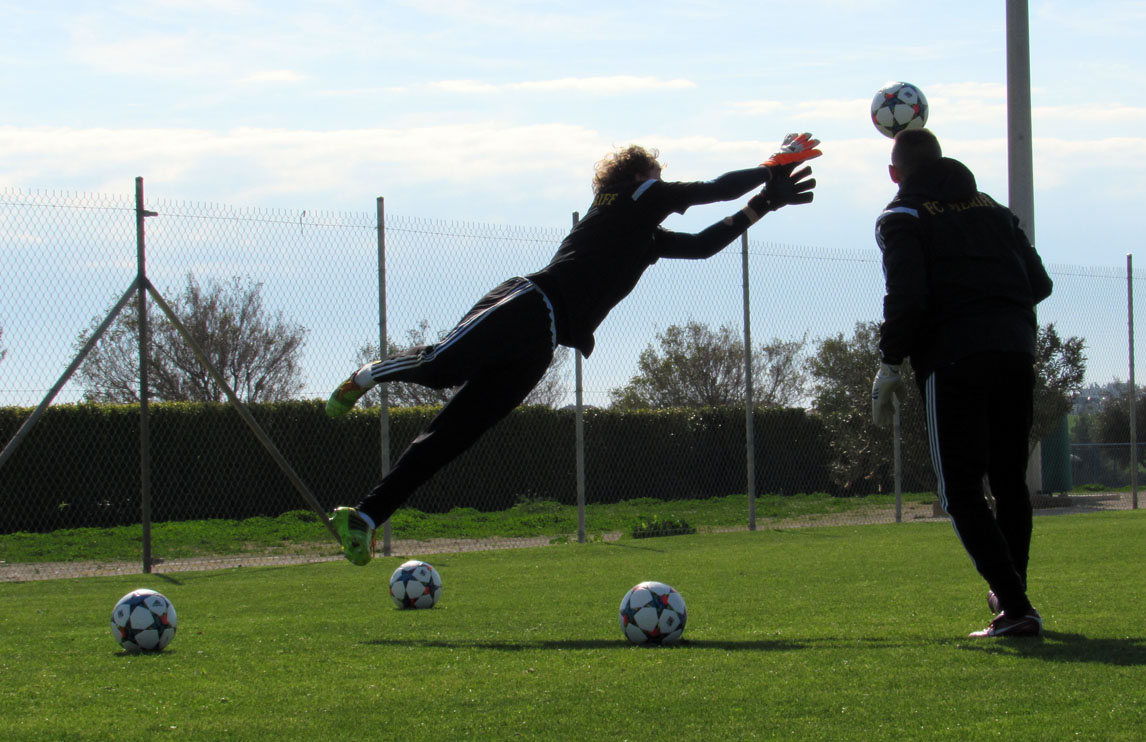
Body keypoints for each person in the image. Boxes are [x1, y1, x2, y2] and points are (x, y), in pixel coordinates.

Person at [324, 134, 822, 566]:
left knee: (451, 438)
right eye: (657, 173)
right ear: (638, 176)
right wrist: (771, 165)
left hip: (542, 343)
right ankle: (368, 374)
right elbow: (711, 189)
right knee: (440, 366)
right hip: (525, 303)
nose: (663, 182)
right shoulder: (624, 196)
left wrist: (764, 204)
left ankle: (364, 517)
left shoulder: (643, 233)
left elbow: (702, 246)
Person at [870, 127, 1053, 638]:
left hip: (954, 360)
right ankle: (1013, 595)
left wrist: (890, 362)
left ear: (895, 173)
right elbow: (1039, 283)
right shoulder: (994, 209)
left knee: (960, 489)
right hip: (1016, 350)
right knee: (1009, 481)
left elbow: (907, 298)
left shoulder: (901, 216)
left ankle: (1015, 605)